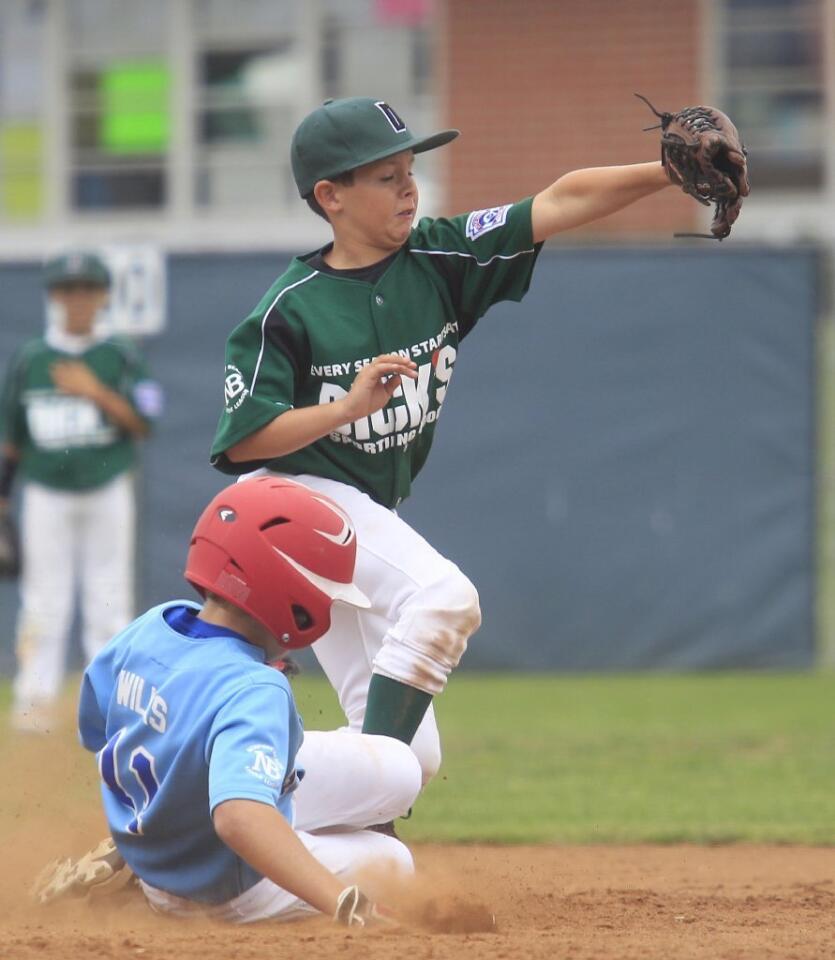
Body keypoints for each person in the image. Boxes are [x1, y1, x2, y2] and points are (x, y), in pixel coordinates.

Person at [209, 96, 676, 788]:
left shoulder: (440, 256)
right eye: (385, 176)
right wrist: (344, 410)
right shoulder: (291, 304)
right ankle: (271, 801)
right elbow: (244, 442)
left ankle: (221, 796)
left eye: (409, 170)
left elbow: (557, 200)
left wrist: (668, 172)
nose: (408, 187)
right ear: (329, 196)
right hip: (285, 507)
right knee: (442, 598)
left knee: (409, 760)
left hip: (360, 518)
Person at [34, 475, 420, 925]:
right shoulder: (255, 687)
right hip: (230, 890)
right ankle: (268, 850)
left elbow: (96, 728)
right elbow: (239, 819)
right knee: (395, 861)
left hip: (155, 845)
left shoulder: (150, 627)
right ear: (291, 592)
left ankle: (144, 860)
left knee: (401, 768)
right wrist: (343, 902)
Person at [0, 252, 161, 732]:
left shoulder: (121, 355)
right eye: (68, 290)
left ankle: (111, 701)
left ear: (103, 296)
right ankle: (34, 697)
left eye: (87, 290)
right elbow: (11, 439)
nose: (77, 300)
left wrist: (96, 391)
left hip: (107, 485)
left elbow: (146, 421)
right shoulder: (32, 358)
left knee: (108, 593)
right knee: (43, 596)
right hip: (46, 491)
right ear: (54, 297)